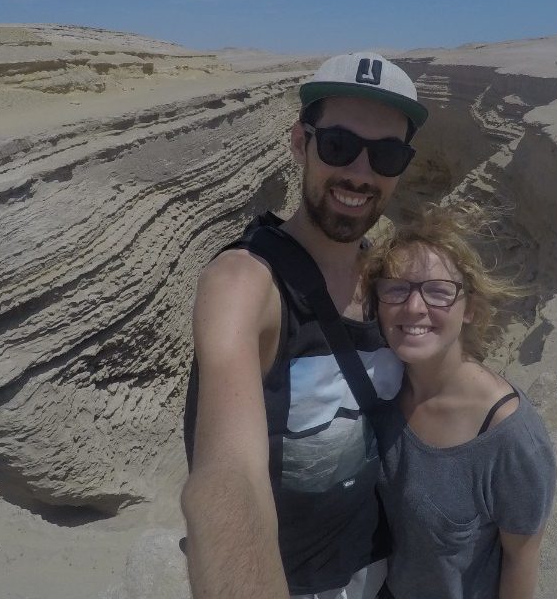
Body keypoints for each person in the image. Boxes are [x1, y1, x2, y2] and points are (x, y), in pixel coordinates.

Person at [181, 52, 428, 599]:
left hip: (385, 565)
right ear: (300, 143)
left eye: (386, 155)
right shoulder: (244, 284)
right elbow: (229, 479)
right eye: (338, 146)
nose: (361, 174)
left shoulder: (389, 279)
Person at [361, 205, 556, 599]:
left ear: (469, 309)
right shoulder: (382, 391)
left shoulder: (510, 439)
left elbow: (521, 559)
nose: (414, 307)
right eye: (396, 288)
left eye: (437, 291)